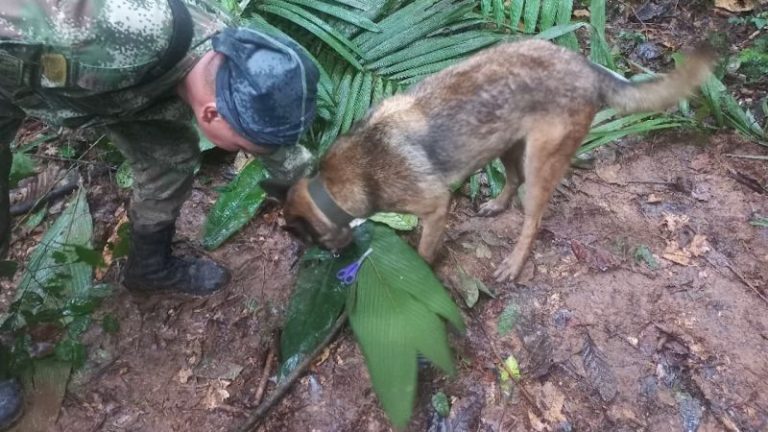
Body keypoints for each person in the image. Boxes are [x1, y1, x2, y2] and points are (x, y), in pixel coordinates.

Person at [0, 0, 319, 428]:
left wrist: (322, 200)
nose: (246, 154)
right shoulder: (94, 28)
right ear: (211, 113)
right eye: (243, 148)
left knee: (168, 159)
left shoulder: (231, 56)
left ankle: (149, 267)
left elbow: (270, 139)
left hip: (122, 92)